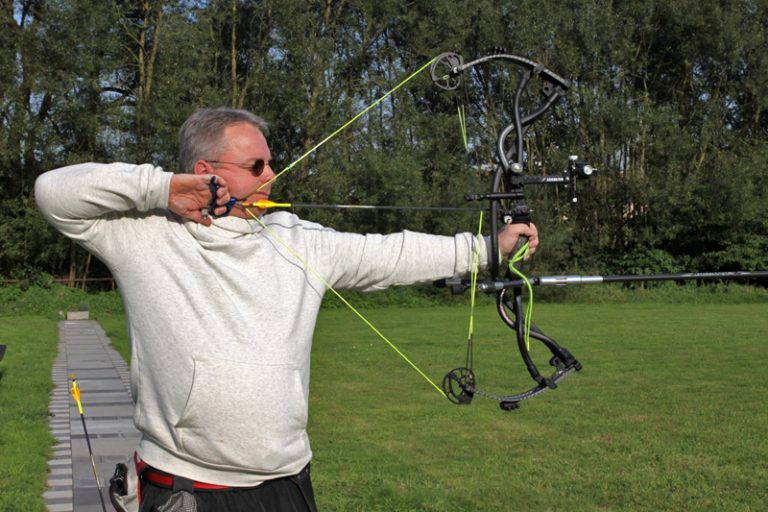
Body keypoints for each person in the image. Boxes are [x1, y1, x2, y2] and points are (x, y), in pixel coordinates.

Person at [35, 108, 539, 511]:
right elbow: (53, 192)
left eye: (270, 162)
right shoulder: (144, 234)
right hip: (185, 487)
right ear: (205, 173)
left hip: (288, 483)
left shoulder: (299, 241)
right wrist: (161, 189)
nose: (272, 175)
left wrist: (488, 248)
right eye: (256, 166)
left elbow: (391, 253)